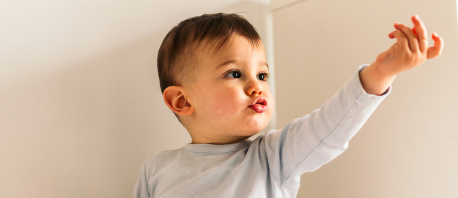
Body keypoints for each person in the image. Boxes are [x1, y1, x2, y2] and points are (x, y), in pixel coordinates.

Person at [133, 13, 443, 198]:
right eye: (235, 74)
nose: (257, 86)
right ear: (182, 101)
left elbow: (330, 127)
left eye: (262, 74)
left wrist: (382, 72)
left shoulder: (273, 157)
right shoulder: (157, 171)